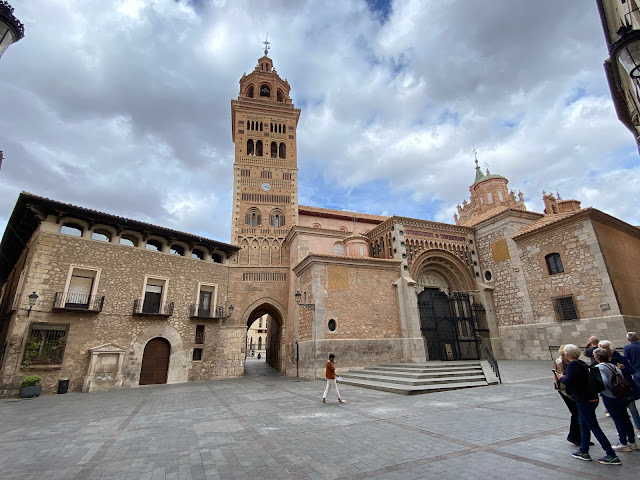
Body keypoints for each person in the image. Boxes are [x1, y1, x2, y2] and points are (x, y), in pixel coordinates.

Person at [557, 344, 620, 465]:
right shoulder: (581, 363)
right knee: (583, 424)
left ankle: (611, 454)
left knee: (593, 426)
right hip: (591, 398)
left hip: (584, 400)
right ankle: (583, 450)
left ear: (567, 354)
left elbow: (568, 381)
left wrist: (561, 377)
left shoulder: (572, 365)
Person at [593, 348, 638, 453]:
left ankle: (623, 443)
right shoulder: (613, 366)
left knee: (618, 419)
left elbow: (603, 381)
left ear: (597, 358)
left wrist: (598, 388)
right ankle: (632, 441)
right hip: (621, 395)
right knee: (625, 418)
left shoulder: (599, 367)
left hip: (610, 396)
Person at [599, 339, 640, 436]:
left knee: (632, 409)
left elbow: (631, 371)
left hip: (624, 388)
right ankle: (622, 430)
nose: (602, 350)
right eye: (600, 348)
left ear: (610, 348)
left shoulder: (621, 358)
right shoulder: (601, 361)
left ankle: (638, 428)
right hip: (612, 390)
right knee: (618, 412)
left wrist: (624, 368)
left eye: (604, 347)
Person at [554, 345, 581, 445]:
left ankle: (579, 437)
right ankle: (574, 437)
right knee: (576, 413)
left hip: (571, 389)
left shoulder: (571, 362)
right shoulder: (560, 362)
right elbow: (561, 377)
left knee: (577, 413)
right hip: (566, 390)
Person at [623, 332, 640, 439]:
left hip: (636, 373)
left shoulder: (627, 348)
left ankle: (639, 427)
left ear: (629, 339)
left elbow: (626, 361)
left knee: (633, 401)